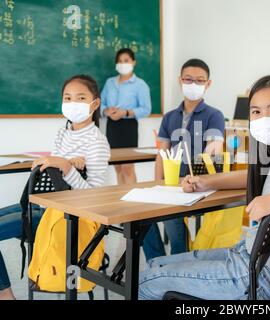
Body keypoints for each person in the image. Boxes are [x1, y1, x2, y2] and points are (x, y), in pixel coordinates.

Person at [138, 75, 270, 300]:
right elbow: (249, 176)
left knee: (147, 281)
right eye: (256, 112)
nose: (264, 118)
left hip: (265, 276)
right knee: (155, 263)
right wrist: (206, 182)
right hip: (247, 254)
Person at [0, 74, 110, 299]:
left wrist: (66, 167)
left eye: (80, 98)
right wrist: (63, 163)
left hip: (70, 218)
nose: (72, 104)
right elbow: (57, 175)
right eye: (67, 98)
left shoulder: (97, 142)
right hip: (49, 206)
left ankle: (5, 296)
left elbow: (94, 198)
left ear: (95, 103)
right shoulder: (64, 132)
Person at [142, 59, 225, 260]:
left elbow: (214, 148)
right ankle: (158, 261)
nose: (193, 85)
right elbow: (162, 153)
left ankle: (177, 261)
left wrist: (209, 154)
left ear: (208, 84)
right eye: (188, 80)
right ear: (180, 81)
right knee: (140, 216)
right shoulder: (169, 117)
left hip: (199, 182)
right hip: (172, 182)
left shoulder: (214, 115)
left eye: (199, 80)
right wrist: (157, 183)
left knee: (172, 219)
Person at [101, 48, 151, 185]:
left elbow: (146, 109)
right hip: (112, 127)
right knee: (117, 167)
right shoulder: (109, 82)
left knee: (128, 168)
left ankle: (132, 198)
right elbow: (101, 103)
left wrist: (126, 112)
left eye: (126, 60)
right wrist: (106, 111)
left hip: (128, 128)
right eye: (120, 61)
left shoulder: (140, 85)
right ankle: (121, 197)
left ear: (133, 62)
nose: (123, 63)